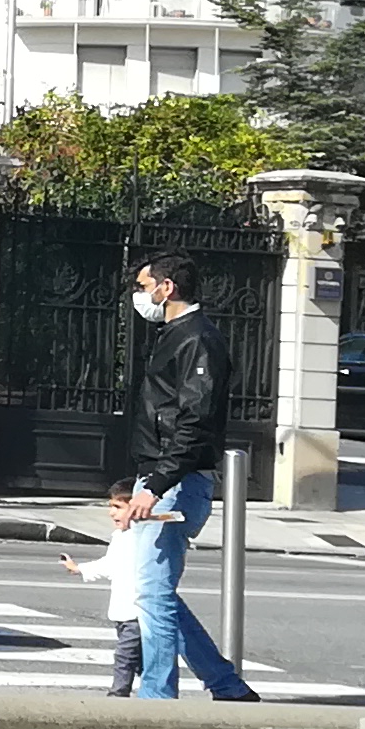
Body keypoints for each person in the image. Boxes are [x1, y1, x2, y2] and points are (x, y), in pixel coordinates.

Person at [121, 251, 259, 702]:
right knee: (156, 593)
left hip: (175, 481)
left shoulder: (197, 340)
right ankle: (225, 684)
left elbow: (194, 420)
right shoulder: (177, 335)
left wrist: (156, 485)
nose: (140, 296)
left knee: (152, 593)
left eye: (144, 287)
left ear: (167, 288)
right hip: (163, 477)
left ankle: (158, 697)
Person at [63, 481, 165, 695]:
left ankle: (119, 694)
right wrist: (79, 569)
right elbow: (110, 564)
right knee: (140, 660)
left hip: (136, 612)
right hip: (122, 611)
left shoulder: (143, 537)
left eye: (118, 507)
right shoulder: (120, 537)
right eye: (111, 506)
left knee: (125, 656)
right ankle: (152, 692)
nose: (111, 513)